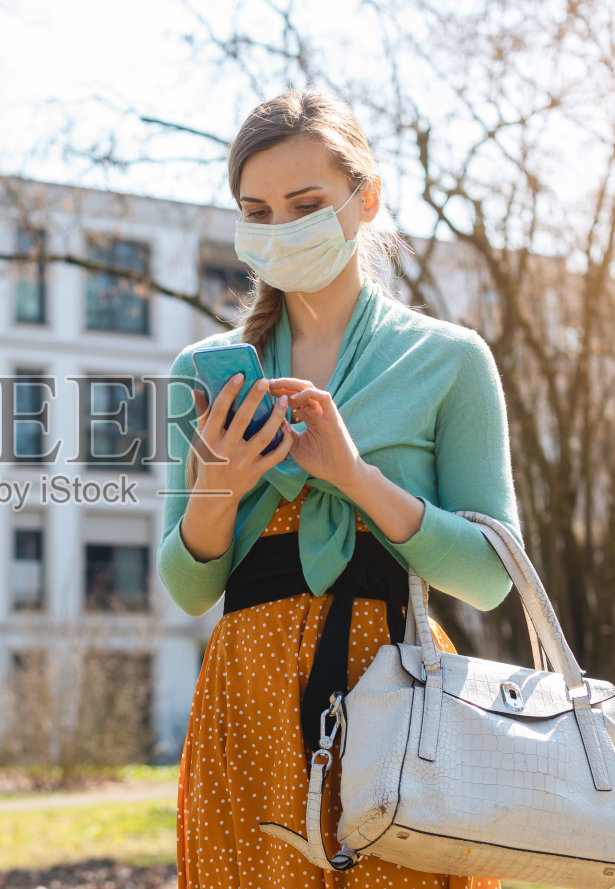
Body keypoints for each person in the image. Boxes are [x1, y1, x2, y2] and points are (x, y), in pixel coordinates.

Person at [158, 89, 520, 889]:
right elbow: (187, 587)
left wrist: (355, 478)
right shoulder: (203, 373)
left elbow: (490, 577)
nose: (281, 229)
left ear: (367, 200)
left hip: (398, 703)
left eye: (306, 204)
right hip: (245, 708)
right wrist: (219, 487)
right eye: (258, 210)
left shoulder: (449, 361)